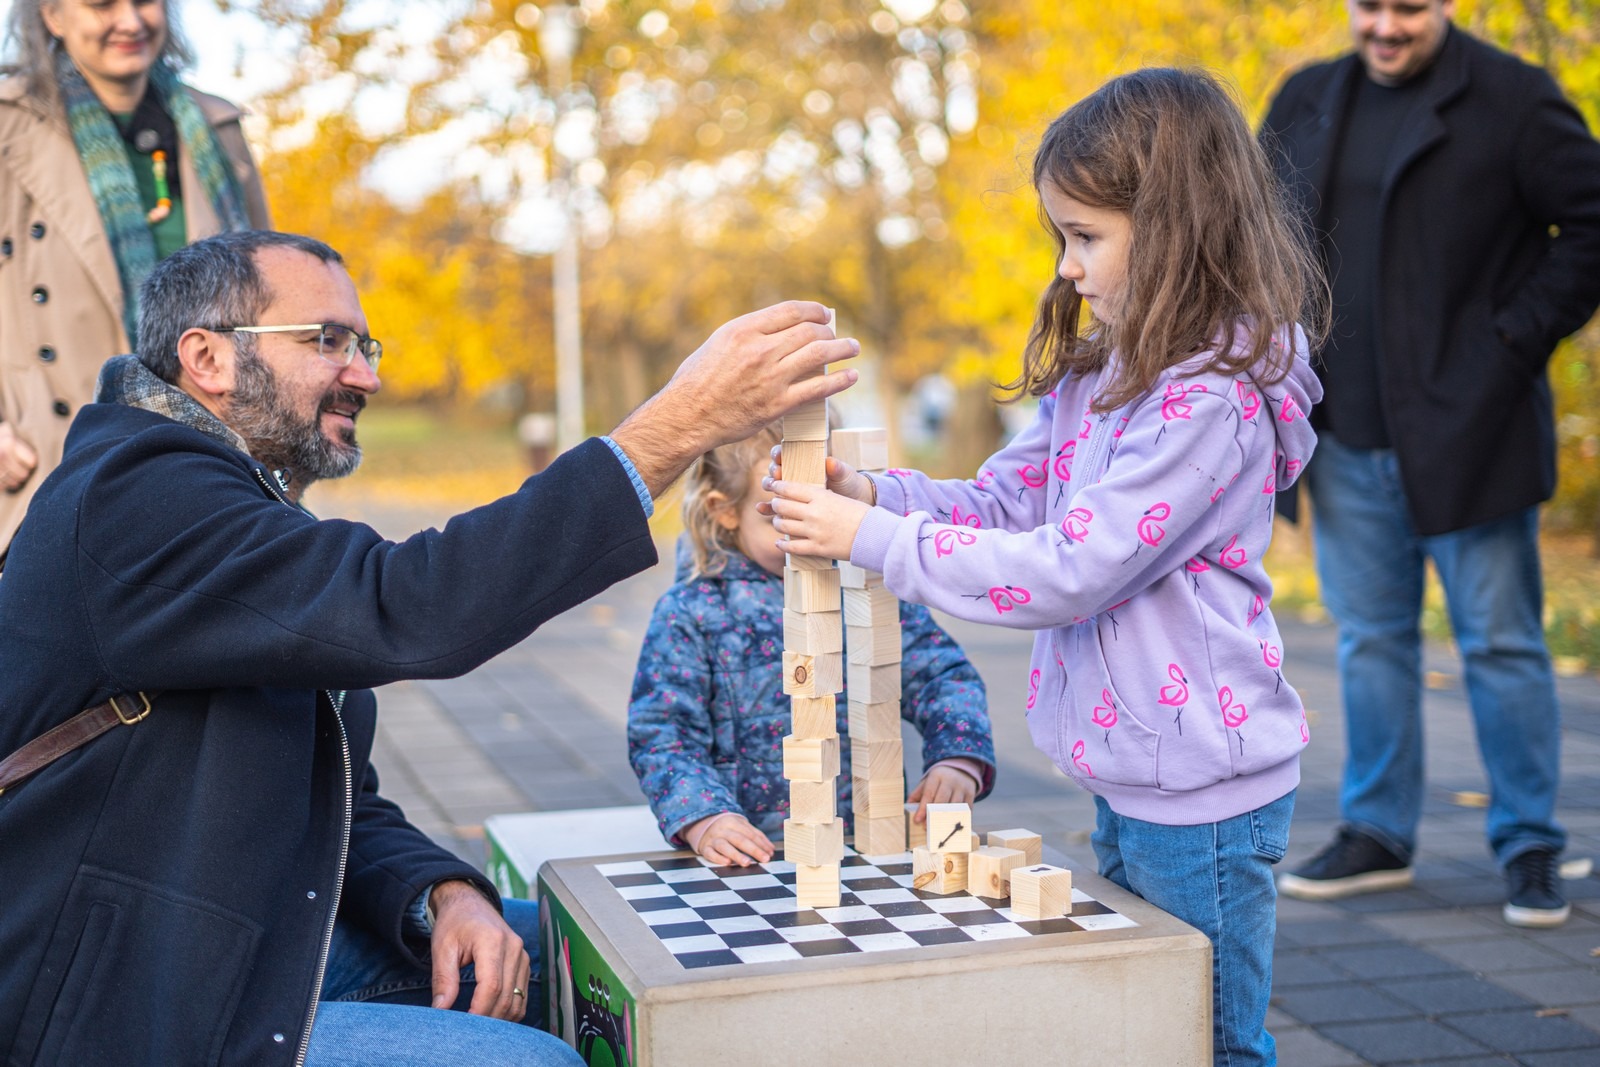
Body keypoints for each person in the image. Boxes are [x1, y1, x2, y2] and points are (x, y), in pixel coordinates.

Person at [0, 229, 859, 1066]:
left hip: (241, 938)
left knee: (611, 952)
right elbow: (411, 602)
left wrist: (442, 893)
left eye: (363, 344)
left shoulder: (221, 501)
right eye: (327, 340)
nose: (365, 374)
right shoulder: (139, 498)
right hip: (128, 1000)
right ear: (208, 358)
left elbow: (333, 795)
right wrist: (676, 426)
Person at [768, 68, 1326, 1066]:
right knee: (1152, 1027)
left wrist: (871, 540)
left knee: (1209, 1040)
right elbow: (1008, 499)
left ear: (1175, 229)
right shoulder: (1108, 372)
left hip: (1202, 794)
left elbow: (1071, 568)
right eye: (1059, 237)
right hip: (1136, 767)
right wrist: (876, 497)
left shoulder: (1210, 402)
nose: (1066, 267)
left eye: (1085, 236)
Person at [1260, 0, 1600, 928]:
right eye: (1369, 6)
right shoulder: (1305, 98)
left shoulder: (1516, 99)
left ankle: (1530, 842)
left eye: (1408, 8)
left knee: (1499, 643)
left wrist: (1510, 342)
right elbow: (1256, 238)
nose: (1385, 27)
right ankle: (1377, 832)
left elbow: (1591, 226)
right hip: (1339, 434)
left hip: (1472, 435)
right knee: (1370, 640)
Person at [627, 422, 996, 866]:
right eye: (785, 514)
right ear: (724, 510)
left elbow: (943, 677)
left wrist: (958, 759)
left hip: (867, 845)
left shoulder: (871, 590)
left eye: (826, 509)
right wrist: (704, 818)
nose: (811, 531)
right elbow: (663, 733)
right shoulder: (690, 612)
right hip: (752, 856)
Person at [0, 0, 270, 561]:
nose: (130, 21)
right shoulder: (7, 126)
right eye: (101, 4)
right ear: (52, 15)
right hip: (50, 468)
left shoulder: (216, 129)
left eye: (145, 0)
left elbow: (269, 298)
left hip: (210, 473)